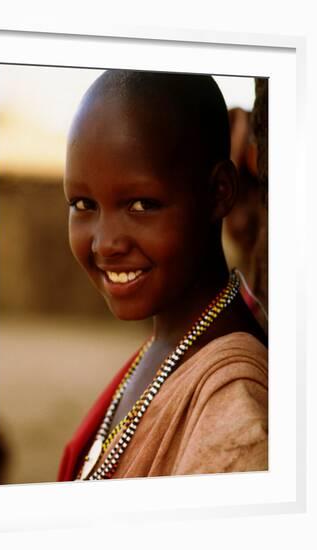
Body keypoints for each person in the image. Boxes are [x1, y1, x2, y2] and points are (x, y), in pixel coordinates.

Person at [58, 70, 268, 482]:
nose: (105, 244)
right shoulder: (169, 342)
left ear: (219, 192)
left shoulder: (232, 412)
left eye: (140, 205)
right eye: (83, 204)